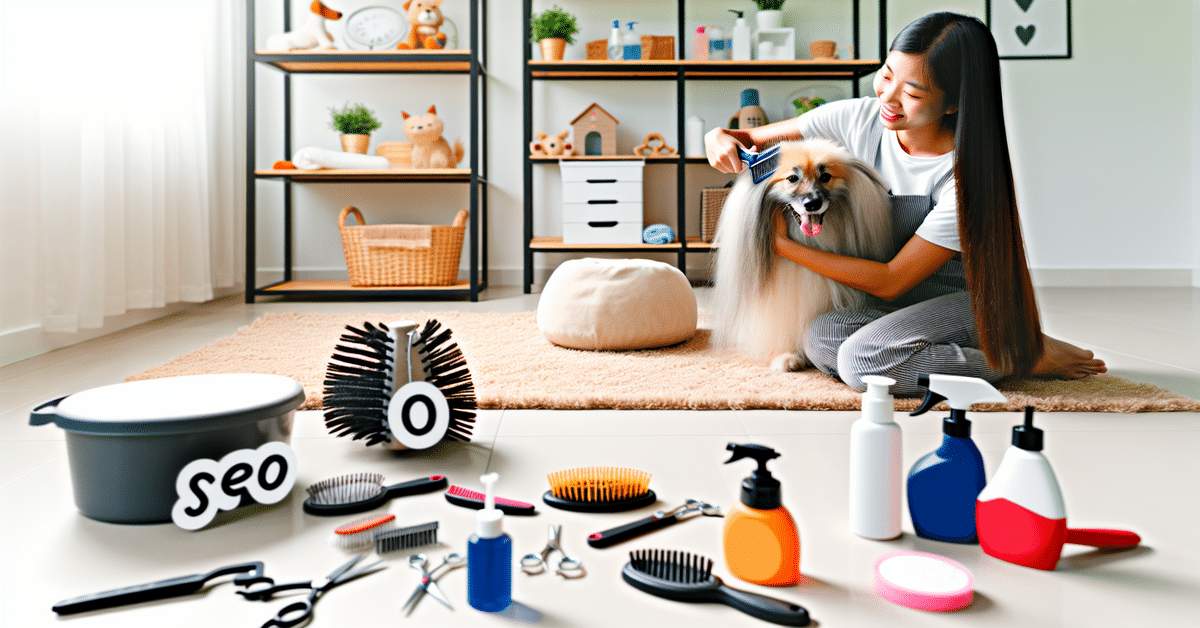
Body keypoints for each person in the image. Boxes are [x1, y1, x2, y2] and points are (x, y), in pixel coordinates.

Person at [704, 12, 1105, 397]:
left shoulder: (961, 176)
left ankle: (1016, 356)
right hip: (888, 305)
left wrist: (783, 247)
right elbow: (751, 141)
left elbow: (891, 278)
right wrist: (718, 137)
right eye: (887, 75)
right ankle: (994, 352)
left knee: (862, 362)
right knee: (819, 338)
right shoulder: (859, 118)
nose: (888, 99)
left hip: (960, 303)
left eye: (912, 93)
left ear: (952, 104)